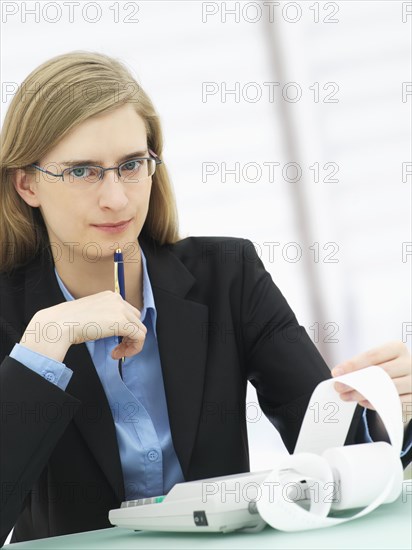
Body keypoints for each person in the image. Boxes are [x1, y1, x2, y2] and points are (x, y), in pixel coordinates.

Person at [0, 51, 411, 546]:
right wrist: (46, 342)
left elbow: (333, 456)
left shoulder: (229, 276)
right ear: (27, 184)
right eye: (83, 172)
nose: (117, 198)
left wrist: (392, 411)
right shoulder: (11, 315)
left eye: (131, 165)